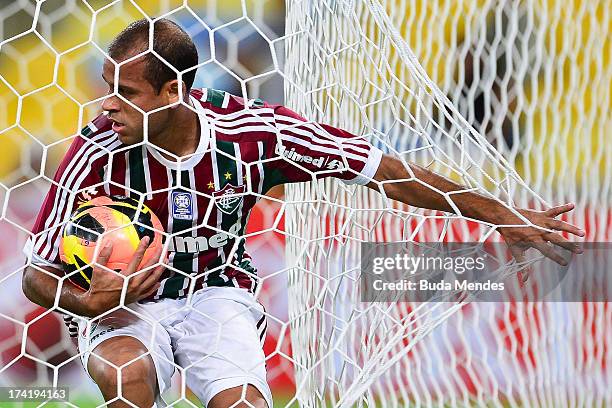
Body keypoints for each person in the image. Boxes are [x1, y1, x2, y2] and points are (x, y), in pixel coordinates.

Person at [21, 18, 584, 408]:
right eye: (106, 88)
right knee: (128, 375)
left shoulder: (256, 133)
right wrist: (87, 299)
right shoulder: (96, 149)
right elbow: (34, 273)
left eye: (127, 91)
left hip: (215, 294)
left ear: (173, 93)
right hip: (120, 308)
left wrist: (502, 215)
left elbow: (390, 172)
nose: (107, 104)